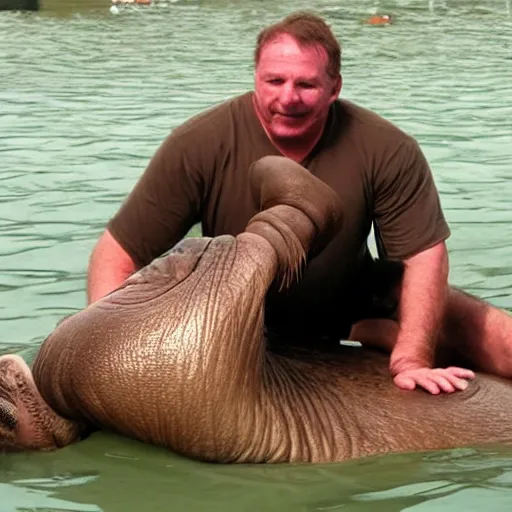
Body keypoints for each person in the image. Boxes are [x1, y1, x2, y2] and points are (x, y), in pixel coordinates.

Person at [87, 11, 512, 395]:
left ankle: (374, 329)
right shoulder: (198, 143)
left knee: (505, 344)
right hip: (235, 310)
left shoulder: (387, 148)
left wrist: (412, 359)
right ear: (256, 77)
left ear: (334, 88)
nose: (288, 97)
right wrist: (102, 350)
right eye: (275, 81)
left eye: (306, 84)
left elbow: (424, 256)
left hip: (349, 293)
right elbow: (118, 252)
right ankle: (371, 332)